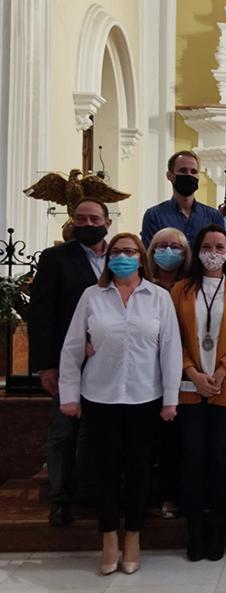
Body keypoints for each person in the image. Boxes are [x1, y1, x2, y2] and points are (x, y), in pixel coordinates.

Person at [58, 233, 181, 575]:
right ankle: (109, 536)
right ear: (108, 258)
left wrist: (170, 398)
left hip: (146, 395)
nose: (123, 257)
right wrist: (69, 395)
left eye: (130, 252)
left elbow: (170, 350)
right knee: (106, 471)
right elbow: (71, 348)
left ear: (141, 258)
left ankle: (134, 537)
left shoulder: (157, 297)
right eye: (117, 252)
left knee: (140, 470)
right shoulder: (92, 296)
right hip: (100, 395)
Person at [170, 225, 226, 561]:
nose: (213, 252)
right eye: (207, 246)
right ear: (197, 250)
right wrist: (192, 371)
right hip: (189, 387)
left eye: (220, 246)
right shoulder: (180, 289)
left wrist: (219, 372)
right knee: (193, 458)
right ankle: (194, 530)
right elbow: (171, 337)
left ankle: (216, 528)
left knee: (221, 458)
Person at [29, 198, 110, 527]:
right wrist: (47, 365)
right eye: (81, 219)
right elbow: (42, 313)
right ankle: (60, 499)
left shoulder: (122, 257)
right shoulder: (55, 258)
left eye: (95, 218)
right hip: (69, 360)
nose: (88, 224)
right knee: (63, 431)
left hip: (109, 362)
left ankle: (90, 492)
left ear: (107, 220)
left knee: (97, 431)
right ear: (72, 222)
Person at [145, 227, 191, 521]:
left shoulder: (191, 286)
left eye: (175, 246)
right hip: (146, 374)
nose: (168, 250)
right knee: (150, 442)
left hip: (183, 372)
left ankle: (173, 495)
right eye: (161, 245)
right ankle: (150, 494)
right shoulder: (142, 284)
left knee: (177, 440)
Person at [141, 150, 226, 247]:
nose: (189, 175)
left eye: (193, 172)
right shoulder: (154, 215)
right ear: (170, 176)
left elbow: (220, 252)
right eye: (183, 171)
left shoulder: (213, 216)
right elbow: (149, 254)